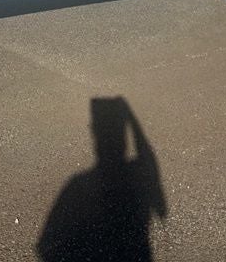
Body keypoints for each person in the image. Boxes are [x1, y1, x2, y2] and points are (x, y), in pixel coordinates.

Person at [37, 97, 167, 262]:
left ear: (95, 136)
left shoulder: (78, 184)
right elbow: (147, 158)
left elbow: (45, 246)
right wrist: (130, 116)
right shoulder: (136, 172)